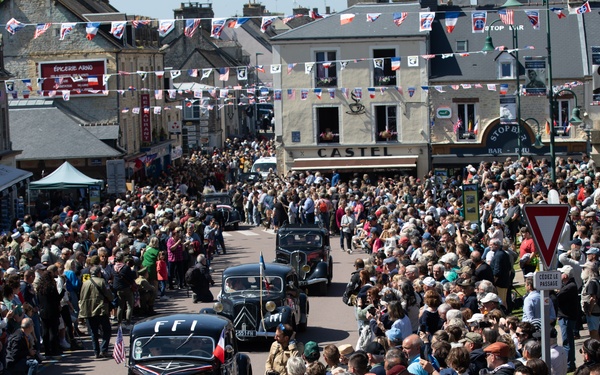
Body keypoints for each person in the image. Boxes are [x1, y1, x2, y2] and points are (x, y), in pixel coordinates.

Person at [79, 265, 114, 359]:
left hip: (88, 310)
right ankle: (104, 350)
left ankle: (96, 352)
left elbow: (81, 297)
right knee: (107, 330)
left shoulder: (85, 283)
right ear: (99, 273)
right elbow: (109, 295)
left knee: (93, 332)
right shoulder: (102, 282)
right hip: (100, 309)